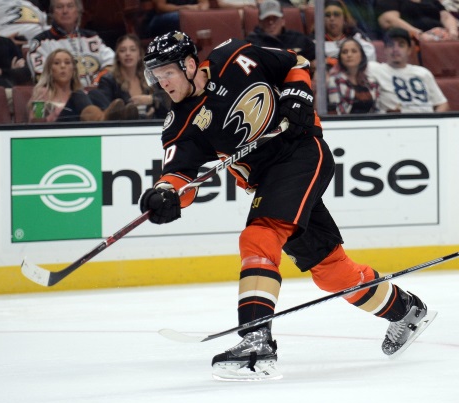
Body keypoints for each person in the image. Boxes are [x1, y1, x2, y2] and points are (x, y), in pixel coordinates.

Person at [140, 30, 436, 381]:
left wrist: (297, 93)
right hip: (268, 182)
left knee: (258, 238)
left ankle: (256, 341)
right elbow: (179, 176)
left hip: (301, 152)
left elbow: (294, 62)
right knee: (332, 272)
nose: (162, 84)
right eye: (156, 77)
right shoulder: (181, 123)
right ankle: (406, 310)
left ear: (189, 64)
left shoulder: (235, 56)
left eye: (167, 73)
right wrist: (165, 194)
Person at [26, 0, 115, 87]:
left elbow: (113, 63)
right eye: (59, 7)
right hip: (63, 96)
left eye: (70, 6)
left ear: (78, 11)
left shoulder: (92, 38)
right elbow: (42, 78)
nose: (65, 11)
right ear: (52, 12)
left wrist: (97, 82)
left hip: (99, 93)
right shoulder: (41, 43)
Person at [367, 27, 449, 112]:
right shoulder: (374, 69)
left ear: (409, 50)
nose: (395, 49)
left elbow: (442, 104)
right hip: (394, 122)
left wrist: (433, 121)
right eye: (391, 45)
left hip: (426, 121)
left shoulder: (423, 72)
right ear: (385, 50)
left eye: (401, 45)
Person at [92, 34, 170, 119]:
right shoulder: (108, 80)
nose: (128, 54)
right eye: (122, 50)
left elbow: (165, 102)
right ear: (117, 56)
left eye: (133, 50)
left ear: (139, 55)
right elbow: (108, 113)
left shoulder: (149, 77)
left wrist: (151, 100)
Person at [245, 0, 316, 66]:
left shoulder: (298, 38)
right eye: (267, 19)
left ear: (283, 21)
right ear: (260, 22)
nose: (271, 22)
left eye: (275, 18)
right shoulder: (251, 44)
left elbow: (319, 57)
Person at [327, 38, 380, 114]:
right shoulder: (334, 81)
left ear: (361, 55)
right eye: (345, 52)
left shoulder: (371, 81)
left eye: (354, 51)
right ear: (340, 57)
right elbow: (337, 112)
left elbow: (376, 109)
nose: (349, 55)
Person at [320, 0, 376, 68]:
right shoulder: (315, 43)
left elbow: (370, 57)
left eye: (336, 14)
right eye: (327, 15)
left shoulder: (357, 37)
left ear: (344, 18)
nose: (332, 18)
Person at [377, 0, 459, 41]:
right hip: (413, 40)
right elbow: (388, 20)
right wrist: (419, 35)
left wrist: (453, 32)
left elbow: (446, 16)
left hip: (442, 39)